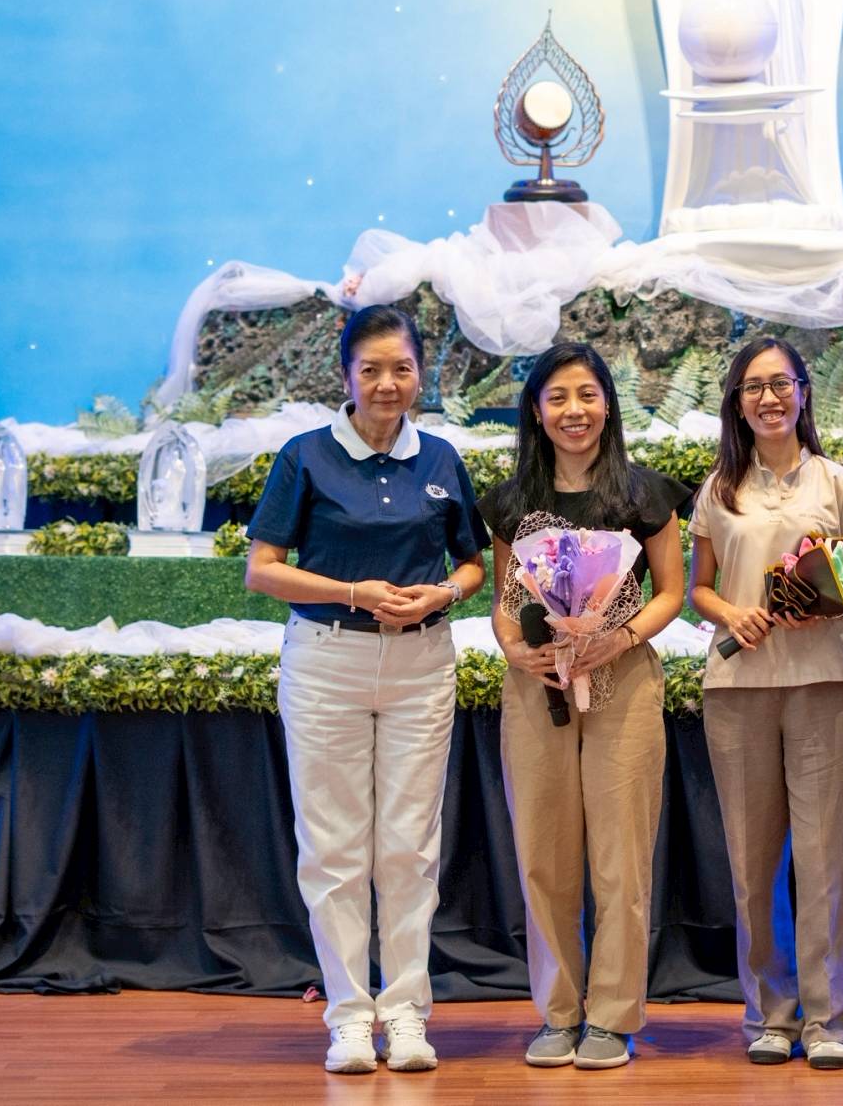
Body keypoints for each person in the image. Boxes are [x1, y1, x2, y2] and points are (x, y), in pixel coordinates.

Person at [243, 305, 489, 1074]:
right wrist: (353, 592)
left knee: (410, 846)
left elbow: (473, 564)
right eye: (371, 369)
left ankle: (407, 1013)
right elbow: (262, 569)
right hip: (327, 662)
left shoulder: (440, 457)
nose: (388, 383)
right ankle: (350, 1017)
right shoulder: (306, 456)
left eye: (401, 368)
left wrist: (442, 594)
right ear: (345, 375)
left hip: (421, 664)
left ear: (420, 373)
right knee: (334, 848)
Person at [479, 342, 690, 1071]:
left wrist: (619, 636)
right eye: (558, 397)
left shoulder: (644, 493)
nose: (575, 410)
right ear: (536, 410)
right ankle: (559, 1011)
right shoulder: (511, 502)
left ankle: (612, 1015)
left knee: (620, 856)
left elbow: (671, 591)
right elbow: (504, 600)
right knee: (543, 853)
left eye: (588, 395)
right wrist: (515, 649)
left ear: (608, 403)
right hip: (536, 685)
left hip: (621, 679)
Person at [688, 337, 843, 1070]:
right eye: (753, 387)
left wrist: (823, 602)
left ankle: (828, 1019)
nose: (768, 398)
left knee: (822, 854)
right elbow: (699, 588)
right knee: (752, 858)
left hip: (822, 680)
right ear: (737, 403)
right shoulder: (719, 489)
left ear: (803, 392)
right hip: (738, 688)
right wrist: (732, 615)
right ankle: (770, 1012)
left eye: (780, 383)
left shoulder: (837, 482)